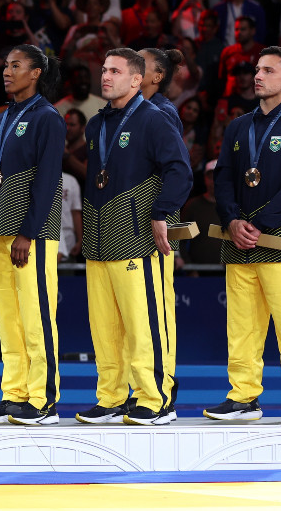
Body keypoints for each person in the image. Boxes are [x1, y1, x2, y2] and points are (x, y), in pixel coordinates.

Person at [75, 48, 190, 427]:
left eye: (115, 71)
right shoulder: (96, 124)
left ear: (137, 80)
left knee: (144, 322)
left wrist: (161, 214)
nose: (105, 76)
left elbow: (179, 171)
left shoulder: (155, 119)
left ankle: (153, 399)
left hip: (137, 238)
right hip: (99, 238)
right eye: (104, 69)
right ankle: (111, 397)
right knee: (104, 326)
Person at [206, 46, 281, 423]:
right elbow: (222, 178)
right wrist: (233, 220)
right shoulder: (239, 126)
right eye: (257, 69)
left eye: (268, 70)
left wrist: (260, 223)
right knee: (241, 327)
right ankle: (243, 397)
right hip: (239, 243)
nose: (258, 76)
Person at [0, 44, 65, 425]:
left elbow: (48, 180)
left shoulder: (48, 118)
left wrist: (29, 232)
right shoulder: (0, 118)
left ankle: (42, 400)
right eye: (5, 65)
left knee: (37, 319)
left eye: (16, 65)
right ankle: (14, 394)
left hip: (31, 237)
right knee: (8, 321)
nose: (7, 72)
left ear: (36, 72)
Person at [139, 46, 188, 417]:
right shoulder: (126, 114)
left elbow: (177, 173)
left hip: (152, 231)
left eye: (141, 65)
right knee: (133, 317)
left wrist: (164, 217)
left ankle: (162, 394)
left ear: (157, 77)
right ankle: (137, 391)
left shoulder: (162, 113)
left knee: (156, 314)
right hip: (126, 230)